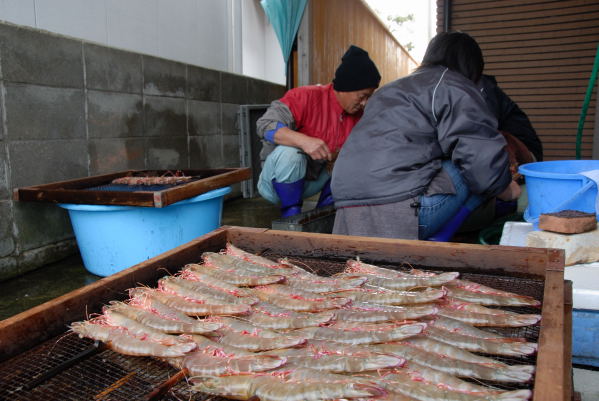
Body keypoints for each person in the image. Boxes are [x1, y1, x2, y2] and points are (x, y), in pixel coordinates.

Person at [331, 31, 521, 240]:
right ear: (472, 65)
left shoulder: (390, 89)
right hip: (397, 212)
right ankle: (437, 241)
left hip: (346, 212)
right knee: (472, 165)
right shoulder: (454, 86)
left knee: (464, 160)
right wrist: (507, 189)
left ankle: (437, 238)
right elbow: (479, 161)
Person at [256, 45, 381, 218]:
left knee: (355, 159)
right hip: (275, 183)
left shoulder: (361, 117)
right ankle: (290, 218)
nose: (365, 103)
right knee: (290, 154)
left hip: (311, 182)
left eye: (369, 97)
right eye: (362, 96)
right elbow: (265, 125)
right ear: (346, 86)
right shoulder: (305, 97)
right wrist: (304, 141)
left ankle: (324, 214)